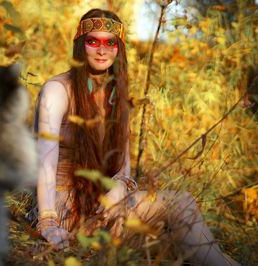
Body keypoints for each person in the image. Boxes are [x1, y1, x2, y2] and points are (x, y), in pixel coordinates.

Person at [34, 8, 239, 265]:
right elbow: (44, 162)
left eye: (110, 43)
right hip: (62, 208)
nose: (102, 50)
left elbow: (124, 168)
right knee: (182, 209)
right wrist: (48, 223)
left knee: (180, 242)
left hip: (104, 208)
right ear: (80, 45)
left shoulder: (117, 96)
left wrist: (119, 188)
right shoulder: (57, 89)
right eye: (93, 41)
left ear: (119, 49)